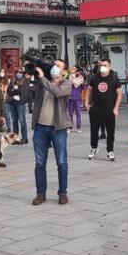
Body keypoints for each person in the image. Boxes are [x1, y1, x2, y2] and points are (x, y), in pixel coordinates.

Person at [31, 61, 72, 206]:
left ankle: (62, 193)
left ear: (64, 71)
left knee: (61, 162)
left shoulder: (66, 83)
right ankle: (40, 194)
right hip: (40, 127)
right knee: (40, 163)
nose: (55, 67)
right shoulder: (43, 82)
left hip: (58, 128)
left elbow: (58, 93)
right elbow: (27, 96)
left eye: (58, 66)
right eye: (54, 64)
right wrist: (28, 76)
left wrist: (43, 79)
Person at [84, 58, 122, 161]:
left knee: (110, 131)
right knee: (94, 130)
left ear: (109, 66)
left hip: (109, 109)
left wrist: (116, 108)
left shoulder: (114, 77)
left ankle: (110, 151)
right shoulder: (95, 77)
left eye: (105, 65)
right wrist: (86, 102)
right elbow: (88, 91)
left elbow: (119, 93)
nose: (102, 67)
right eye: (101, 65)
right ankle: (94, 148)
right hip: (96, 108)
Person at [67, 66, 85, 134]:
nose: (73, 71)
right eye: (71, 70)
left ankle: (79, 127)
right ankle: (69, 127)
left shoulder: (80, 78)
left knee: (78, 113)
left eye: (74, 70)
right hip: (70, 97)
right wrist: (71, 80)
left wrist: (81, 82)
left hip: (77, 97)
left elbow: (83, 87)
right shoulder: (68, 78)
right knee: (70, 114)